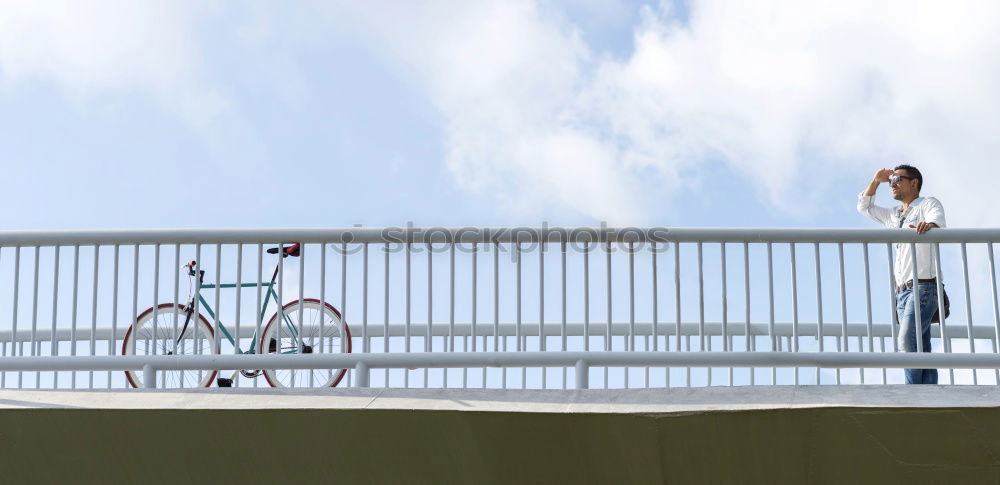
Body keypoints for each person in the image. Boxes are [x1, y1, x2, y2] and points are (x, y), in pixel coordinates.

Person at [857, 164, 946, 384]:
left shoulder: (927, 204)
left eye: (898, 179)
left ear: (914, 182)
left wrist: (929, 226)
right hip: (901, 292)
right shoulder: (894, 215)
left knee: (907, 340)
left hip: (924, 286)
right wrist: (877, 180)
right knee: (920, 346)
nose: (893, 184)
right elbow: (864, 207)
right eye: (891, 180)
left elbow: (938, 224)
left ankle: (913, 393)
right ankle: (929, 395)